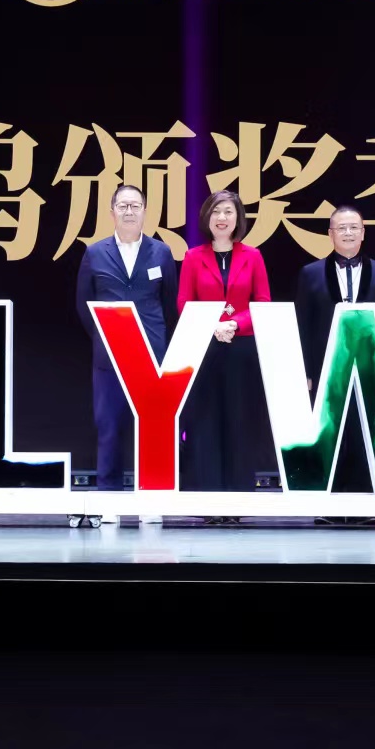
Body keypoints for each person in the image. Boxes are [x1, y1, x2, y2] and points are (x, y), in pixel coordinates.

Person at [75, 184, 178, 522]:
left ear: (145, 211)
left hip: (152, 352)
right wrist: (105, 337)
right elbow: (83, 304)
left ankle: (152, 503)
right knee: (109, 427)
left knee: (153, 430)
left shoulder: (161, 252)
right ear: (112, 212)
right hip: (110, 355)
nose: (129, 211)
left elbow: (169, 304)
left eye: (135, 205)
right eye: (123, 205)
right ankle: (110, 503)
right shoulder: (95, 253)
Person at [295, 205, 375, 525]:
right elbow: (303, 326)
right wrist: (306, 372)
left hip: (370, 366)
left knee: (365, 431)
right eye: (341, 228)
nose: (348, 233)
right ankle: (328, 503)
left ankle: (364, 504)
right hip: (327, 366)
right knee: (330, 431)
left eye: (354, 227)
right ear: (330, 234)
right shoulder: (310, 273)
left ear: (363, 232)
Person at [177, 190, 275, 520]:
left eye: (229, 212)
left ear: (238, 219)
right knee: (205, 423)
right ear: (207, 217)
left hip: (241, 350)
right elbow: (183, 303)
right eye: (216, 211)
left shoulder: (253, 256)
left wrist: (234, 323)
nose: (222, 218)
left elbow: (262, 302)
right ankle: (208, 501)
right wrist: (212, 325)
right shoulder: (193, 257)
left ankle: (238, 502)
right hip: (204, 349)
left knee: (240, 422)